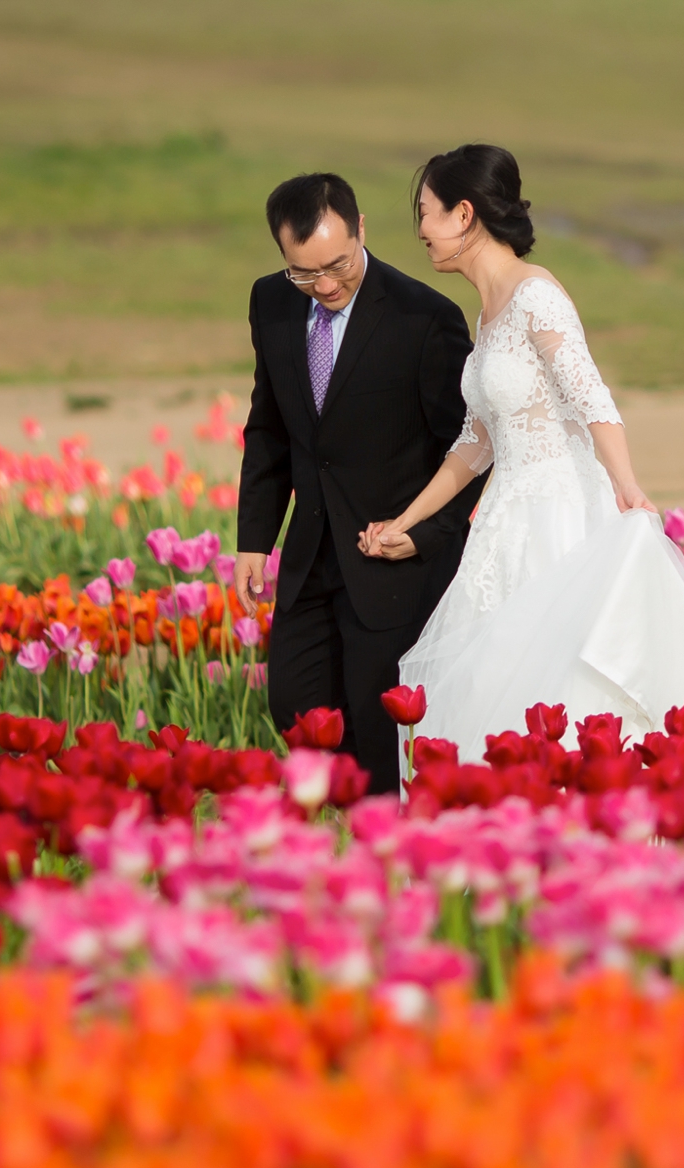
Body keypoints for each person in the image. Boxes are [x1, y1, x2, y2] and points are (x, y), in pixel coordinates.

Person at [359, 144, 684, 760]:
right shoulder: (487, 317)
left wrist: (627, 488)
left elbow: (592, 398)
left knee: (568, 682)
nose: (421, 230)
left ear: (464, 214)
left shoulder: (536, 296)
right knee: (502, 682)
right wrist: (407, 519)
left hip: (558, 517)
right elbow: (476, 441)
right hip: (505, 522)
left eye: (426, 213)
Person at [234, 173, 484, 793]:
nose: (323, 286)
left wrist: (424, 535)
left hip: (394, 566)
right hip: (310, 560)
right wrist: (253, 540)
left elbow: (473, 449)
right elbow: (269, 427)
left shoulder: (424, 319)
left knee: (379, 739)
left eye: (337, 266)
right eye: (303, 272)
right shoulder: (271, 302)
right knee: (296, 711)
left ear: (361, 230)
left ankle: (378, 856)